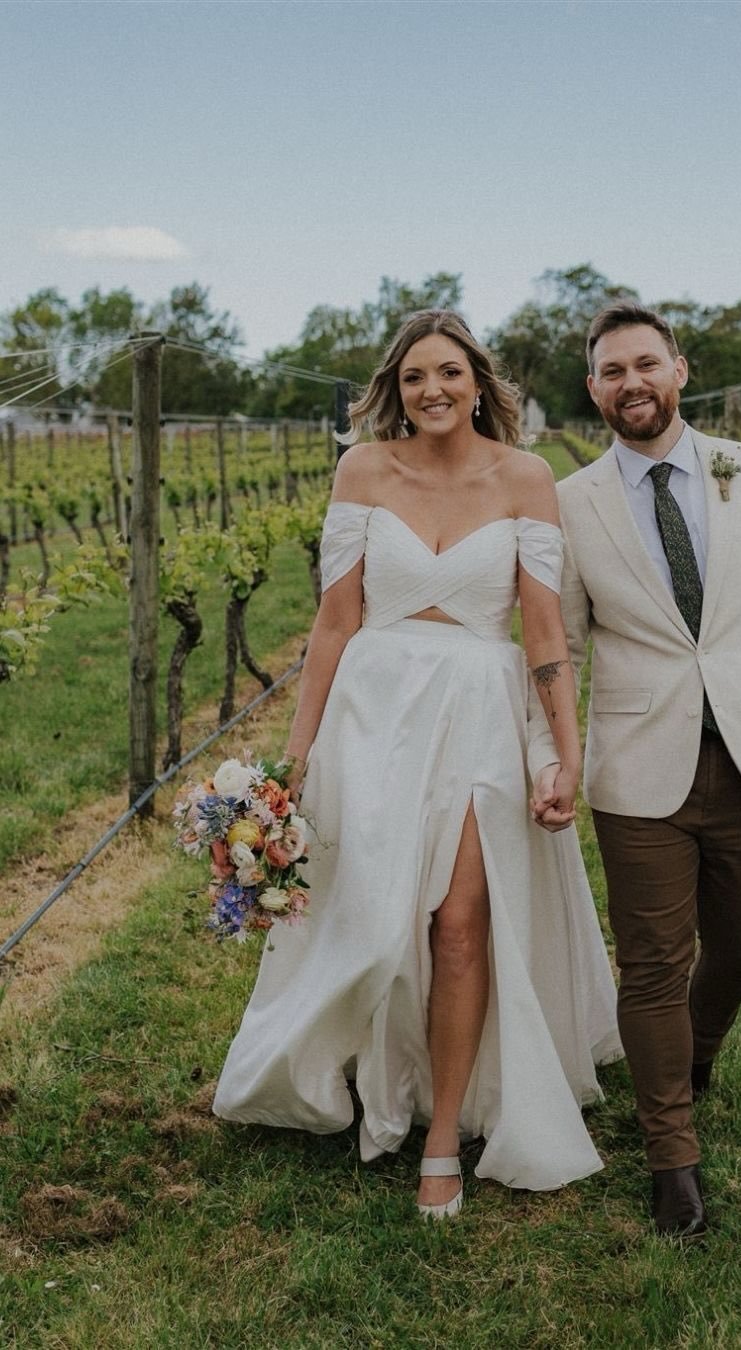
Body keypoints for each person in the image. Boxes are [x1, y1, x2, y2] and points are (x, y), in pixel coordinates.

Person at [213, 310, 621, 1219]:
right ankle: (370, 1075)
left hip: (481, 709)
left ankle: (442, 1139)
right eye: (411, 379)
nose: (430, 391)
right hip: (373, 712)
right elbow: (332, 623)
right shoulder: (362, 470)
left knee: (460, 922)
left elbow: (546, 631)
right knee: (373, 913)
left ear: (479, 381)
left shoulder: (527, 478)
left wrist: (564, 751)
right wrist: (296, 757)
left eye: (447, 373)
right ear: (393, 392)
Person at [541, 302, 741, 1238]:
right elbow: (557, 647)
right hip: (639, 766)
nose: (631, 383)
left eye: (646, 364)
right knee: (650, 966)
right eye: (611, 371)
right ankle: (671, 1154)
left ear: (680, 370)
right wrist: (550, 758)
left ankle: (696, 1053)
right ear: (593, 390)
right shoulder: (570, 502)